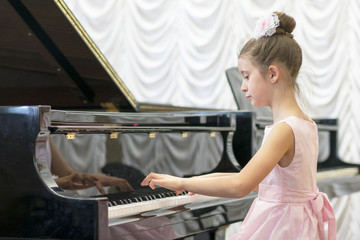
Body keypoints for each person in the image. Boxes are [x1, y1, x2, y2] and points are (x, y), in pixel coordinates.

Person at [141, 12, 336, 240]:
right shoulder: (305, 124)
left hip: (282, 229)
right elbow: (257, 181)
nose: (243, 87)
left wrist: (183, 182)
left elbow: (240, 185)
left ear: (273, 74)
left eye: (246, 76)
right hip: (296, 225)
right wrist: (192, 182)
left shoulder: (284, 129)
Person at [49, 137, 133, 195]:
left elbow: (68, 175)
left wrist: (102, 179)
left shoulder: (46, 134)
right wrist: (63, 182)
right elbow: (36, 186)